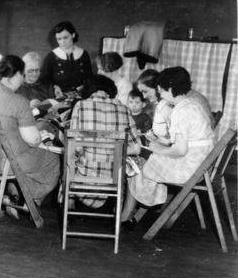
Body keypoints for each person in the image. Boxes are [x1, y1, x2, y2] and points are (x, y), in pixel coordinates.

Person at [121, 67, 214, 228]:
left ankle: (128, 214)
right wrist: (158, 146)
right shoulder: (192, 104)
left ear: (170, 89)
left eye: (161, 91)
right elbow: (183, 141)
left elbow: (180, 150)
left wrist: (157, 149)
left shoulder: (180, 110)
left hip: (188, 169)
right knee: (147, 158)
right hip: (201, 165)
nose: (161, 95)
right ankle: (134, 212)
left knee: (137, 165)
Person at [0, 55, 60, 212]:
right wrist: (40, 134)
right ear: (18, 75)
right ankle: (29, 200)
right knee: (52, 160)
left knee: (27, 160)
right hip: (6, 163)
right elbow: (33, 140)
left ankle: (15, 194)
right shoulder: (19, 102)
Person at [68, 75, 140, 208]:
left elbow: (76, 147)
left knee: (67, 159)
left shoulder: (81, 105)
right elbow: (136, 148)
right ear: (110, 91)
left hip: (84, 176)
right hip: (114, 178)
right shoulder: (124, 109)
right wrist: (113, 151)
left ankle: (69, 202)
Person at [40, 21, 93, 94]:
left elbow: (90, 78)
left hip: (81, 97)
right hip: (59, 98)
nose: (62, 42)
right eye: (59, 39)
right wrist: (54, 87)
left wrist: (85, 87)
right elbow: (43, 80)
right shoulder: (51, 56)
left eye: (65, 38)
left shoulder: (84, 54)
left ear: (73, 35)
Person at [136, 69, 173, 139]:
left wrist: (155, 140)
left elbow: (173, 140)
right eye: (142, 92)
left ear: (156, 87)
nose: (144, 96)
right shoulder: (159, 105)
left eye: (145, 91)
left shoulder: (167, 107)